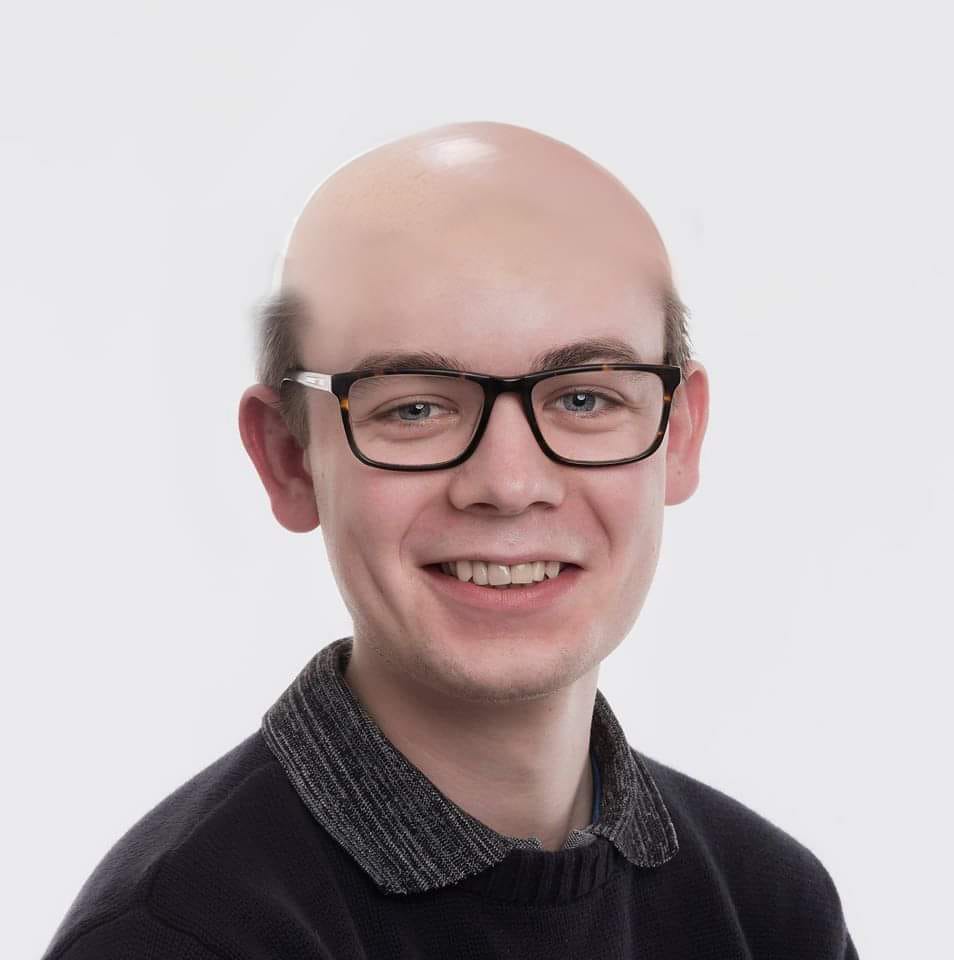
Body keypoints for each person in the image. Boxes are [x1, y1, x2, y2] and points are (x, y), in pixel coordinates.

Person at [42, 120, 857, 959]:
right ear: (288, 458)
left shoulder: (772, 908)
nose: (508, 484)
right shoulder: (182, 936)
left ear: (677, 437)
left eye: (584, 399)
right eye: (415, 407)